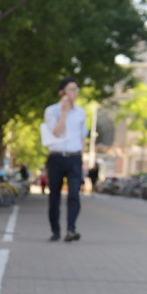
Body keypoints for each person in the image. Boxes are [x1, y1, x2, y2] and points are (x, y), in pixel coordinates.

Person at [42, 76, 88, 241]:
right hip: (56, 158)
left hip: (74, 158)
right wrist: (64, 112)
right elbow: (56, 132)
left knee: (74, 194)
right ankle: (55, 231)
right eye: (71, 89)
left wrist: (82, 157)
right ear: (62, 92)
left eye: (76, 89)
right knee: (54, 195)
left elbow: (83, 136)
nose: (75, 93)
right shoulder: (51, 111)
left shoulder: (81, 112)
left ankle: (71, 229)